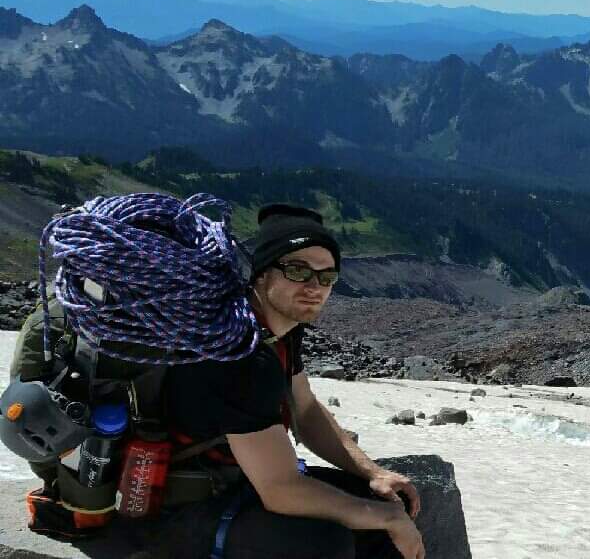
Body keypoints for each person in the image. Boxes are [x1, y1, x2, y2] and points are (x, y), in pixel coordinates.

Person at [166, 204, 425, 559]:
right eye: (297, 270)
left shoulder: (280, 332)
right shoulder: (242, 355)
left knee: (376, 503)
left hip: (236, 481)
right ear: (262, 274)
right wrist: (386, 518)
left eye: (326, 277)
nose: (314, 287)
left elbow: (305, 411)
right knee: (326, 545)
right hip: (179, 505)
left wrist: (373, 474)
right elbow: (280, 489)